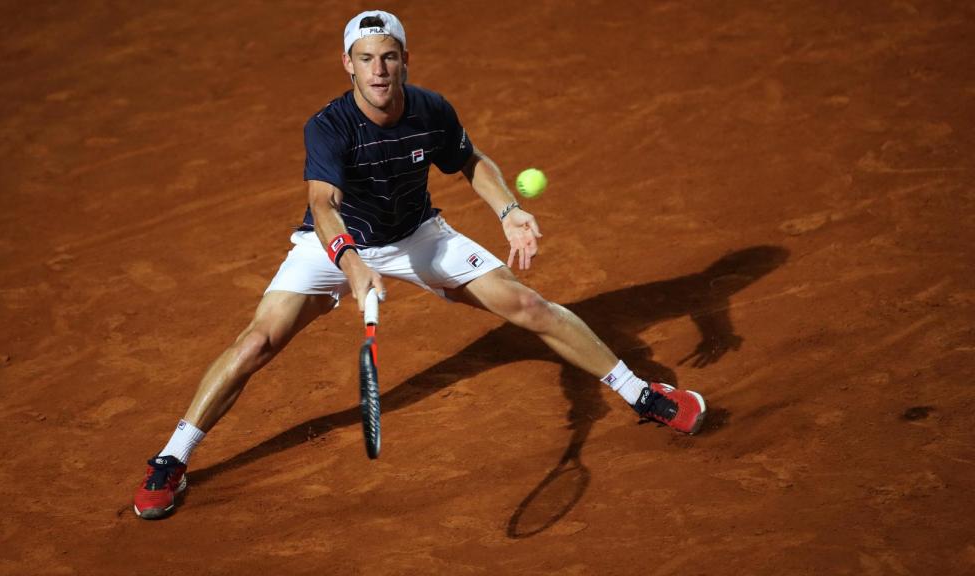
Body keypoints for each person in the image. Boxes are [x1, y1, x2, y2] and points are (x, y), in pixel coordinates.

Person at [133, 9, 707, 520]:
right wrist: (350, 262)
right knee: (256, 342)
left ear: (405, 60)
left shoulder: (430, 109)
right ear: (347, 66)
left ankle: (642, 394)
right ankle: (173, 458)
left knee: (529, 305)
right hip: (331, 245)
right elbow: (321, 205)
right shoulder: (329, 127)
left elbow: (470, 160)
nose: (378, 70)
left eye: (388, 57)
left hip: (417, 236)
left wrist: (508, 210)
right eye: (366, 60)